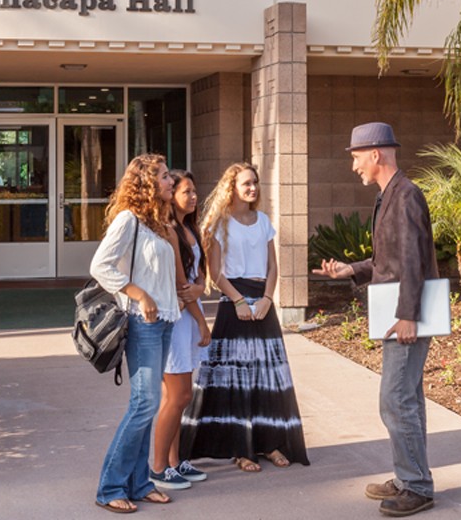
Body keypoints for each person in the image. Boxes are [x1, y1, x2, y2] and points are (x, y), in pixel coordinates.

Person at [313, 122, 438, 517]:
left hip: (403, 318)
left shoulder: (406, 196)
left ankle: (416, 487)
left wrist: (407, 317)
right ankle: (409, 478)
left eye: (355, 157)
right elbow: (390, 261)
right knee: (407, 400)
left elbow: (415, 263)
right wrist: (350, 269)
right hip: (396, 313)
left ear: (376, 154)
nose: (353, 167)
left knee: (395, 401)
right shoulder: (390, 196)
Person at [179, 162, 310, 472]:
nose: (253, 188)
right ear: (232, 188)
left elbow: (273, 267)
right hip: (232, 303)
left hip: (262, 304)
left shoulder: (264, 221)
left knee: (267, 377)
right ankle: (242, 448)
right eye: (246, 183)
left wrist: (267, 299)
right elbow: (215, 272)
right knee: (237, 380)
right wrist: (238, 301)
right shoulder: (219, 223)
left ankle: (272, 444)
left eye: (255, 183)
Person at [90, 153, 181, 513]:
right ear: (145, 183)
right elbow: (100, 265)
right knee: (144, 404)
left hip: (164, 321)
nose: (170, 181)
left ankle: (140, 483)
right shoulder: (128, 220)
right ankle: (110, 486)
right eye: (163, 176)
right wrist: (138, 293)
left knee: (150, 403)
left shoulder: (156, 222)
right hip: (143, 322)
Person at [151, 170, 212, 489]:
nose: (193, 196)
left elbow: (197, 277)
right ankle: (158, 468)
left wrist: (201, 288)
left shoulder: (190, 228)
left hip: (191, 312)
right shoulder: (168, 230)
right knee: (178, 395)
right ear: (171, 194)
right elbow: (179, 285)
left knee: (176, 397)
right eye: (186, 191)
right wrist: (202, 321)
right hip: (177, 320)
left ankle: (174, 462)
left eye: (194, 190)